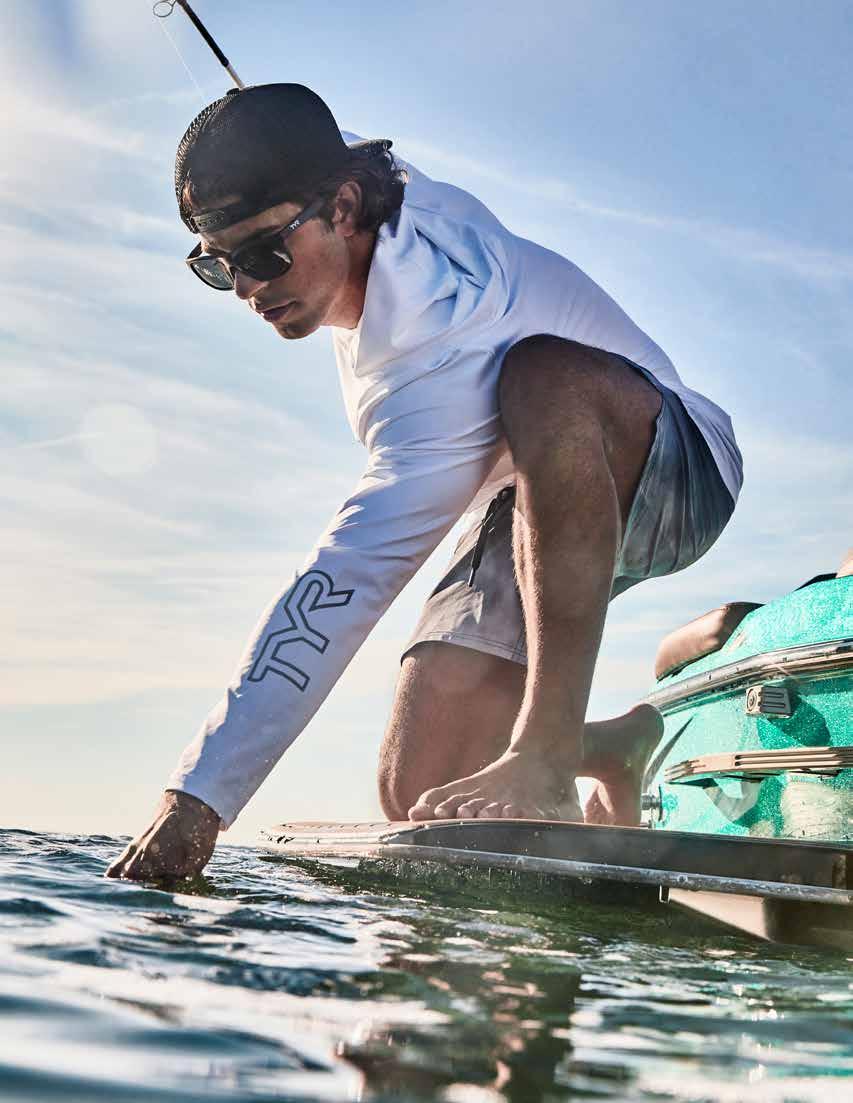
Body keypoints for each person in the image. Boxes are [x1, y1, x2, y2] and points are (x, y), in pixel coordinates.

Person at [107, 84, 742, 881]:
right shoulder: (380, 187)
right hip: (525, 489)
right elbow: (341, 150)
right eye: (217, 263)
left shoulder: (435, 353)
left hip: (678, 463)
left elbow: (339, 588)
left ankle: (546, 753)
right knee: (421, 790)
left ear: (343, 208)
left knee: (539, 375)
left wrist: (198, 797)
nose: (244, 287)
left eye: (262, 254)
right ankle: (611, 746)